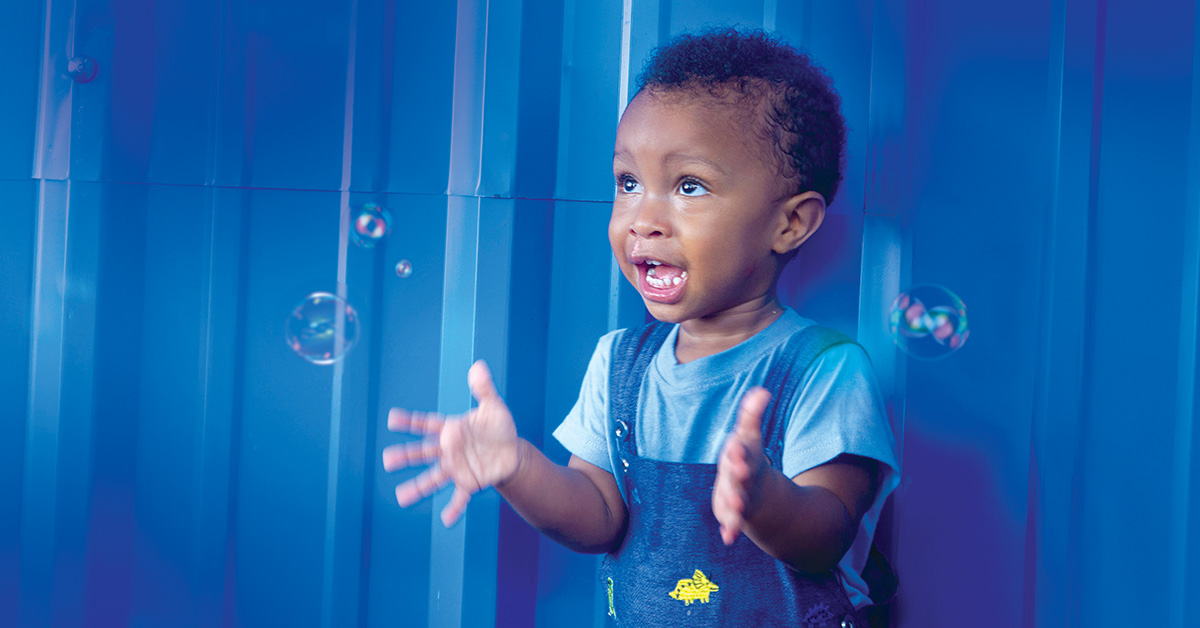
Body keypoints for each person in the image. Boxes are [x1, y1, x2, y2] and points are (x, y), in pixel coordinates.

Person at [382, 27, 899, 627]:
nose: (643, 218)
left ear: (790, 224)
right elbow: (599, 517)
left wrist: (765, 499)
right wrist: (517, 468)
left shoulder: (823, 367)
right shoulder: (620, 361)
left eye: (688, 186)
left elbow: (827, 534)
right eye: (628, 183)